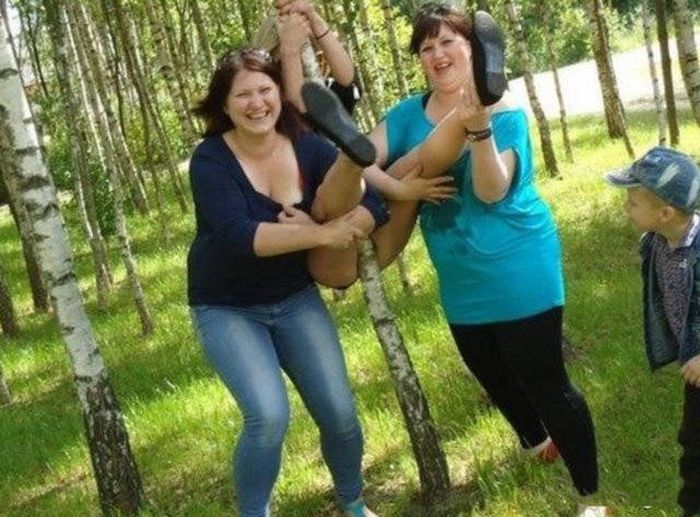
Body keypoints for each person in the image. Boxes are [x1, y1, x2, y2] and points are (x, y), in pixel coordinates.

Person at [318, 1, 600, 502]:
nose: (437, 54)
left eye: (448, 41)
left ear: (473, 50)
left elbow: (492, 191)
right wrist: (398, 188)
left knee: (546, 383)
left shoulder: (505, 112)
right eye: (427, 47)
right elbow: (363, 160)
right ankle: (540, 446)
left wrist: (479, 129)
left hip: (519, 263)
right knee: (491, 374)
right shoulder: (406, 114)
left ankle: (590, 497)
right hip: (460, 276)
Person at [187, 47, 383, 517]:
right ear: (224, 104)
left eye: (265, 90)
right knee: (268, 417)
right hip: (226, 306)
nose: (257, 103)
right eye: (243, 95)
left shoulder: (308, 146)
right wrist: (320, 234)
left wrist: (350, 223)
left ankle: (353, 503)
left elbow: (376, 204)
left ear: (279, 92)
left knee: (339, 413)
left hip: (295, 298)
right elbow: (239, 236)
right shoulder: (210, 159)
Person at [606, 147, 700, 517]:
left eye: (633, 202)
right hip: (694, 368)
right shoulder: (657, 242)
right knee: (692, 442)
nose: (626, 208)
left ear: (665, 213)